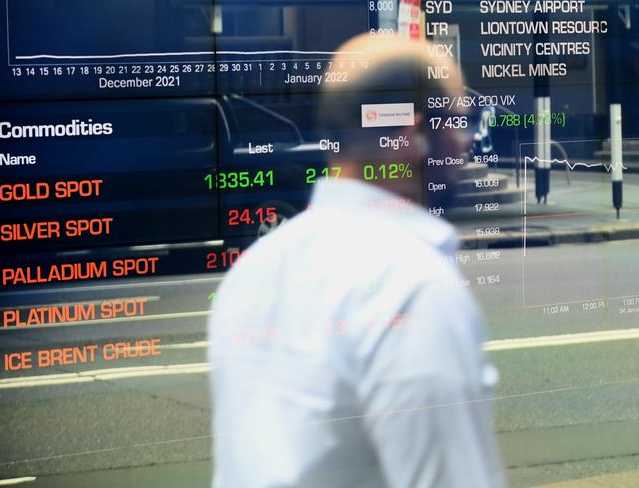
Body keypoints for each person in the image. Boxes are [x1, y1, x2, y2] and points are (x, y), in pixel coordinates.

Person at [209, 34, 506, 488]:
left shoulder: (253, 268)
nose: (465, 144)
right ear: (413, 137)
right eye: (460, 124)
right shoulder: (412, 289)